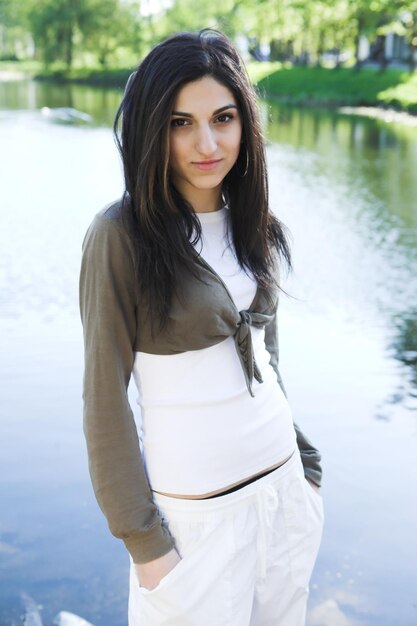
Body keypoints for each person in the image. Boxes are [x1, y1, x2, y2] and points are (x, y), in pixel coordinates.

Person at [79, 28, 324, 626]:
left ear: (246, 122)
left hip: (284, 496)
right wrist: (144, 541)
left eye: (223, 117)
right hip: (195, 525)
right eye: (180, 123)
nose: (207, 142)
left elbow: (267, 354)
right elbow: (102, 397)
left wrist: (307, 466)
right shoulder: (120, 235)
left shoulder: (253, 222)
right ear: (151, 129)